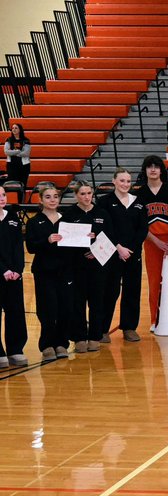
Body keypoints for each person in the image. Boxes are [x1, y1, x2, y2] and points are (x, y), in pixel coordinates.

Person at [97, 168, 148, 342]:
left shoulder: (138, 202)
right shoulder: (104, 202)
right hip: (111, 254)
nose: (125, 184)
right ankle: (102, 329)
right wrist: (118, 247)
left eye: (128, 181)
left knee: (132, 291)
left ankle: (129, 328)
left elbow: (143, 229)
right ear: (114, 181)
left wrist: (130, 249)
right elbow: (102, 228)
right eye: (122, 180)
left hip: (133, 254)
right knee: (109, 291)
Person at [137, 156, 168, 334]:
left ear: (161, 170)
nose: (153, 170)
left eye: (156, 166)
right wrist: (156, 241)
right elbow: (139, 223)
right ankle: (155, 319)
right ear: (145, 170)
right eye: (149, 166)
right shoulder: (139, 193)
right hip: (151, 243)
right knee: (154, 281)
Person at [26, 185, 73, 360]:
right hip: (44, 271)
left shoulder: (67, 220)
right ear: (40, 200)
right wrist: (47, 240)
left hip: (65, 270)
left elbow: (75, 245)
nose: (52, 200)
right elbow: (31, 247)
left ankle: (61, 343)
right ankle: (47, 345)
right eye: (48, 197)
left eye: (55, 196)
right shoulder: (34, 222)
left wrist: (87, 238)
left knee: (65, 307)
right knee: (47, 308)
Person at [0, 190, 27, 367]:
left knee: (15, 311)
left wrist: (18, 269)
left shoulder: (12, 217)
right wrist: (3, 270)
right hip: (1, 273)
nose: (2, 198)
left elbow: (18, 246)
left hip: (14, 276)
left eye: (3, 194)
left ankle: (15, 349)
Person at [4, 123, 31, 187]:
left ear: (20, 130)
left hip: (24, 165)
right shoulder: (8, 140)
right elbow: (6, 152)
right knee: (12, 184)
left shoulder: (26, 140)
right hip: (11, 165)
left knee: (22, 184)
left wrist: (13, 152)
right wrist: (18, 151)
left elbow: (26, 153)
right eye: (12, 128)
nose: (14, 129)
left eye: (16, 128)